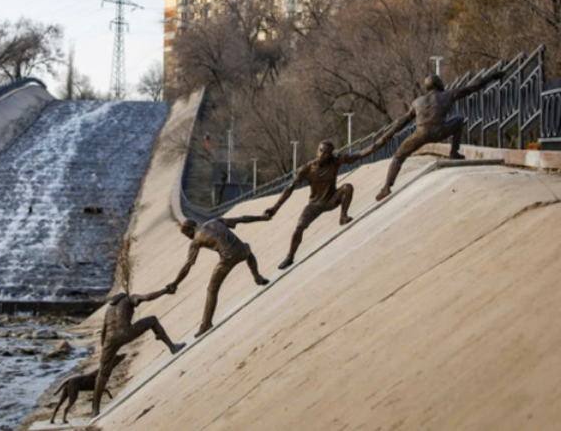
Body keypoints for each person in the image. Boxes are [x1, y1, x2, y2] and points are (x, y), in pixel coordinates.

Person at [374, 69, 506, 201]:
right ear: (438, 84)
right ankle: (454, 152)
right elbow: (473, 87)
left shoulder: (417, 102)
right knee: (459, 120)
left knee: (399, 156)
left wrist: (385, 137)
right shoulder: (448, 94)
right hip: (440, 131)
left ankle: (386, 187)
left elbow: (402, 121)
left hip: (420, 134)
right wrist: (492, 76)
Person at [264, 140, 380, 269]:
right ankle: (290, 256)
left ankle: (343, 216)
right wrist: (275, 207)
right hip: (315, 204)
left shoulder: (335, 162)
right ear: (316, 150)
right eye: (320, 150)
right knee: (299, 226)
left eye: (326, 153)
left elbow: (361, 154)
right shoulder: (307, 169)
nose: (322, 154)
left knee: (347, 188)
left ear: (330, 155)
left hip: (331, 199)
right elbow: (290, 188)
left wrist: (386, 137)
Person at [166, 215, 271, 338]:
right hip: (243, 251)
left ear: (189, 230)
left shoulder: (196, 240)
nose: (188, 238)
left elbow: (187, 266)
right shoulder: (215, 221)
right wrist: (262, 217)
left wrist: (175, 283)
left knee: (212, 289)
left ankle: (206, 323)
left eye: (186, 235)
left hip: (228, 258)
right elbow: (241, 218)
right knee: (247, 248)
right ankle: (257, 277)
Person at [92, 290, 185, 417]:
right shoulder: (129, 298)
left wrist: (105, 351)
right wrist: (164, 291)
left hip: (109, 338)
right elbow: (147, 296)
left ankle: (95, 410)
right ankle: (172, 347)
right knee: (152, 320)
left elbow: (103, 331)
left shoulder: (109, 309)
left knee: (102, 374)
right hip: (125, 333)